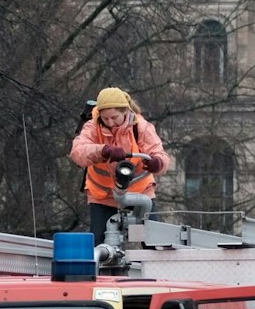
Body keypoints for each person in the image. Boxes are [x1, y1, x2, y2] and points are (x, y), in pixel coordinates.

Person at [68, 87, 175, 239]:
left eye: (114, 117)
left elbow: (159, 154)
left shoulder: (141, 127)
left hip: (140, 191)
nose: (110, 122)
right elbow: (77, 152)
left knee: (153, 240)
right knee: (99, 241)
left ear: (125, 112)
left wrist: (157, 163)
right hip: (103, 195)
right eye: (105, 118)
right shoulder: (92, 127)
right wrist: (103, 150)